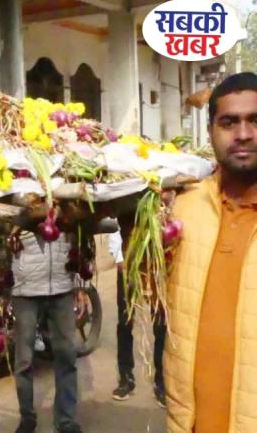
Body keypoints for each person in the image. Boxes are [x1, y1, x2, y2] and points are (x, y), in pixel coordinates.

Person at [164, 71, 257, 432]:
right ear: (210, 132)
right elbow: (151, 296)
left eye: (255, 120)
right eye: (229, 122)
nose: (243, 134)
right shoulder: (181, 209)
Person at [10, 231, 81, 433]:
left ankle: (65, 419)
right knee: (24, 360)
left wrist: (80, 283)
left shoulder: (66, 212)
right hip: (26, 289)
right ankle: (27, 417)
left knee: (67, 356)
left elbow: (80, 233)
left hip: (62, 285)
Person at [109, 227, 166, 407]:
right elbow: (115, 224)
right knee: (125, 322)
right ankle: (126, 378)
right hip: (128, 259)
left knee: (160, 323)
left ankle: (162, 381)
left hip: (156, 262)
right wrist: (119, 256)